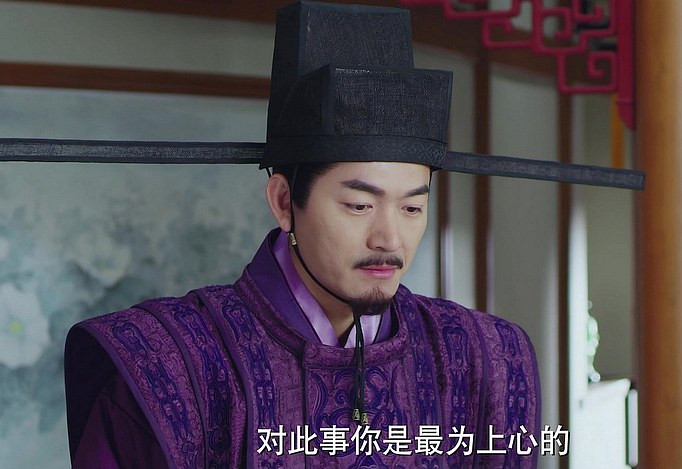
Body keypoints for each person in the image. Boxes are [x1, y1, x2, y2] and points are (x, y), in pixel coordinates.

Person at [62, 1, 642, 467]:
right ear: (284, 202)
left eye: (412, 208)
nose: (389, 238)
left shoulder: (484, 357)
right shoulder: (168, 363)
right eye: (359, 205)